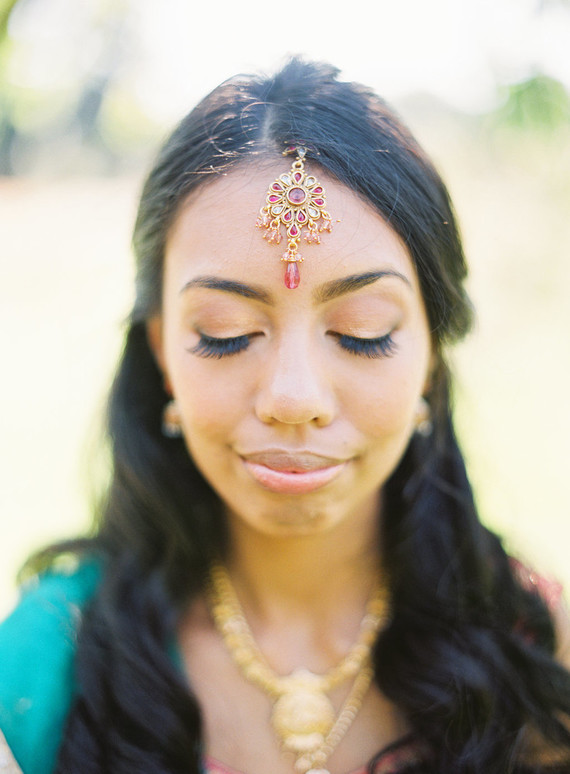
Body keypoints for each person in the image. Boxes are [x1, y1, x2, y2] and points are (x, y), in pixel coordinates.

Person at [1, 58, 569, 774]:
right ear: (162, 352)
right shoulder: (46, 660)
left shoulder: (534, 645)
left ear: (430, 356)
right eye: (226, 332)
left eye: (363, 331)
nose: (294, 398)